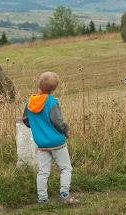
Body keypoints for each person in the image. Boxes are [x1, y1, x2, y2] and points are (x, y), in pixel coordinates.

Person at [22, 72, 80, 205]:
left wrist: (38, 127)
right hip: (56, 141)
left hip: (41, 142)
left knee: (43, 171)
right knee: (66, 168)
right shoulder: (51, 102)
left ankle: (42, 199)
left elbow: (26, 120)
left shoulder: (30, 102)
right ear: (52, 90)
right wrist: (65, 129)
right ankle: (65, 196)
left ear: (38, 84)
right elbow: (57, 121)